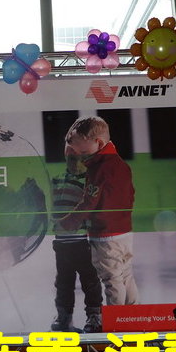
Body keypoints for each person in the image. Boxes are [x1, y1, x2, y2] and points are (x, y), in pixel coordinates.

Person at [60, 116, 139, 307]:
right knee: (126, 274)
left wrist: (68, 222)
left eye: (84, 152)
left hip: (106, 235)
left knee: (112, 279)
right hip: (124, 232)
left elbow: (89, 202)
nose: (82, 157)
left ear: (99, 143)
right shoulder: (121, 164)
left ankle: (116, 320)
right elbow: (131, 194)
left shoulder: (99, 169)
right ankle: (133, 315)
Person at [49, 142, 103, 333]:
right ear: (66, 158)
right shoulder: (57, 180)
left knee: (90, 280)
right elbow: (50, 204)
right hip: (61, 241)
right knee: (63, 282)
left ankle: (94, 316)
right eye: (72, 159)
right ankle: (64, 317)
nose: (76, 163)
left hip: (83, 241)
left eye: (81, 159)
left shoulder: (90, 182)